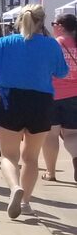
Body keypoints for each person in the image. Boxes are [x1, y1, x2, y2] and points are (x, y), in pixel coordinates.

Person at [0, 4, 70, 218]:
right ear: (42, 21)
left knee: (9, 155)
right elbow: (62, 72)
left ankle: (15, 187)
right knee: (31, 158)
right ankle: (25, 203)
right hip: (41, 102)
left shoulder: (6, 42)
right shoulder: (51, 45)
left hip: (11, 99)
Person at [38, 12, 77, 182]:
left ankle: (51, 172)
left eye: (54, 23)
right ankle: (76, 157)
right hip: (74, 95)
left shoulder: (54, 45)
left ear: (60, 26)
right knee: (72, 134)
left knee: (51, 135)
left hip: (52, 95)